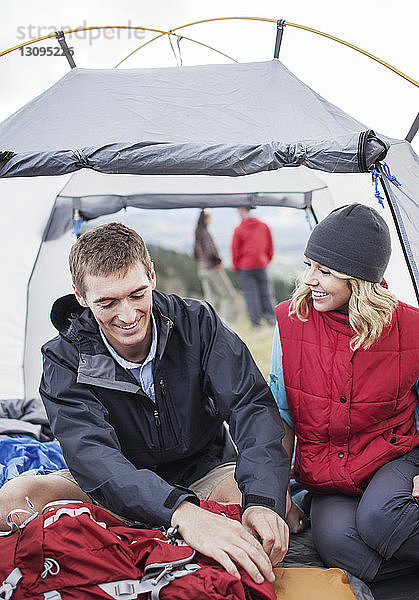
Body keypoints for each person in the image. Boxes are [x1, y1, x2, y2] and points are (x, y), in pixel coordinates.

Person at [0, 222, 290, 585]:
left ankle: (140, 545)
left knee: (249, 510)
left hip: (203, 473)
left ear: (152, 276)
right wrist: (181, 513)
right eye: (107, 302)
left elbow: (251, 405)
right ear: (80, 296)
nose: (127, 315)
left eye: (136, 294)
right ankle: (172, 541)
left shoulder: (198, 324)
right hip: (114, 484)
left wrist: (264, 499)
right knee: (14, 500)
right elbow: (95, 458)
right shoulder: (64, 358)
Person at [269, 203, 419, 583]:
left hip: (394, 454)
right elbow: (282, 415)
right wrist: (280, 494)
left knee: (382, 520)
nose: (309, 280)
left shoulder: (411, 327)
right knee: (338, 544)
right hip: (328, 469)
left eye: (324, 271)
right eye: (308, 266)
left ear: (359, 278)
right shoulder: (290, 322)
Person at [232, 207, 275, 327]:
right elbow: (270, 246)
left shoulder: (239, 229)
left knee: (251, 294)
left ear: (242, 211)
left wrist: (236, 267)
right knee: (266, 292)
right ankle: (272, 319)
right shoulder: (264, 226)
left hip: (245, 266)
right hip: (262, 264)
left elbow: (235, 250)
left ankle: (256, 323)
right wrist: (266, 259)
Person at [193, 208, 236, 322]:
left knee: (210, 297)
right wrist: (218, 261)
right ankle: (225, 322)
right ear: (206, 219)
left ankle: (209, 322)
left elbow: (196, 253)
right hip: (212, 268)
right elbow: (210, 252)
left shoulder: (198, 232)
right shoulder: (205, 233)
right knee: (228, 295)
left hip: (202, 269)